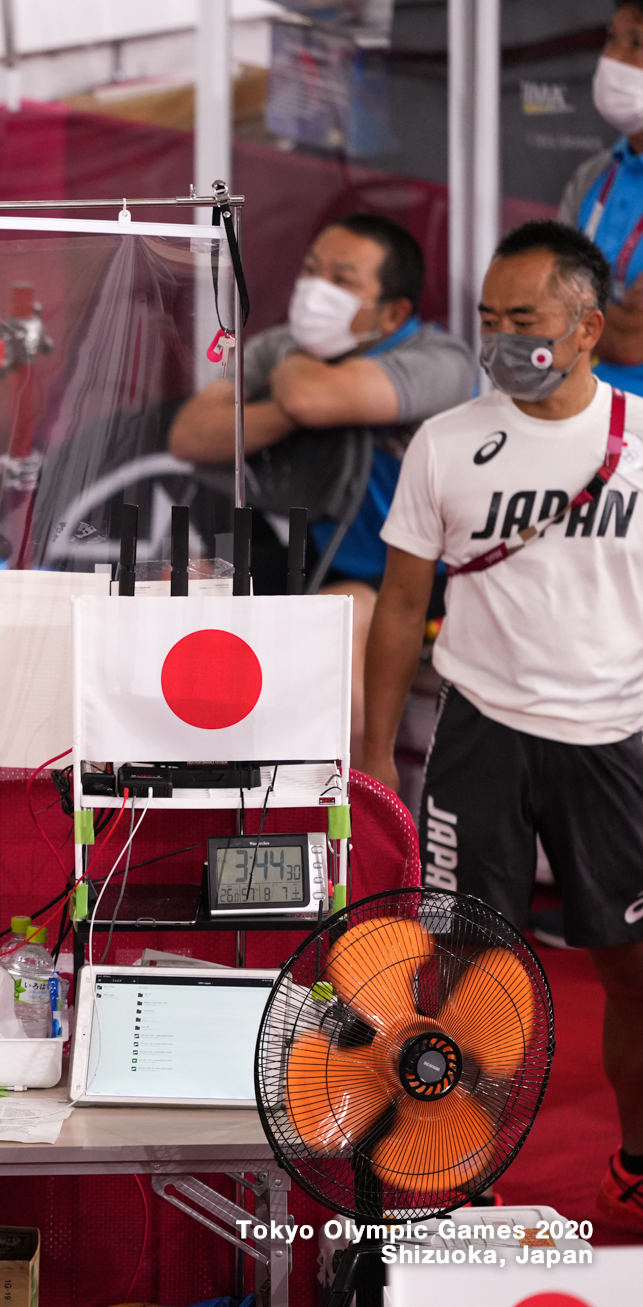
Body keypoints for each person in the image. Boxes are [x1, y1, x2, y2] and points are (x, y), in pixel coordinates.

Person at [363, 221, 643, 1231]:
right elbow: (400, 606)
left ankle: (637, 1165)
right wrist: (370, 751)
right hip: (478, 732)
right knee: (475, 971)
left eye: (521, 319)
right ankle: (455, 1178)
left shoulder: (638, 442)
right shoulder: (446, 441)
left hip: (615, 738)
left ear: (584, 328)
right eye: (487, 319)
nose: (499, 339)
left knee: (631, 972)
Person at [169, 214, 474, 752]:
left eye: (342, 279)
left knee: (346, 616)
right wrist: (291, 406)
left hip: (421, 576)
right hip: (318, 553)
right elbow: (191, 435)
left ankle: (347, 811)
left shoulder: (439, 361)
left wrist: (294, 391)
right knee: (186, 580)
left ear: (394, 311)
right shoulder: (286, 348)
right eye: (311, 271)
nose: (316, 290)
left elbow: (312, 396)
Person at [560, 0, 643, 391]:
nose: (612, 57)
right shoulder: (594, 174)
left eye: (637, 44)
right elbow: (544, 305)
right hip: (577, 401)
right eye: (612, 38)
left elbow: (631, 343)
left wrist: (573, 311)